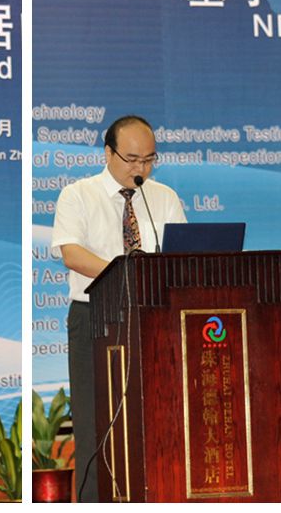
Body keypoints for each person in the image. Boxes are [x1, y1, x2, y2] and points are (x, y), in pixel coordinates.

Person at [50, 115, 186, 502]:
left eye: (149, 159)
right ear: (108, 153)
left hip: (152, 319)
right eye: (132, 159)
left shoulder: (164, 197)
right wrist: (126, 274)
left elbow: (179, 256)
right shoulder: (78, 194)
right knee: (95, 422)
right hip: (95, 318)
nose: (140, 168)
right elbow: (72, 253)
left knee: (156, 416)